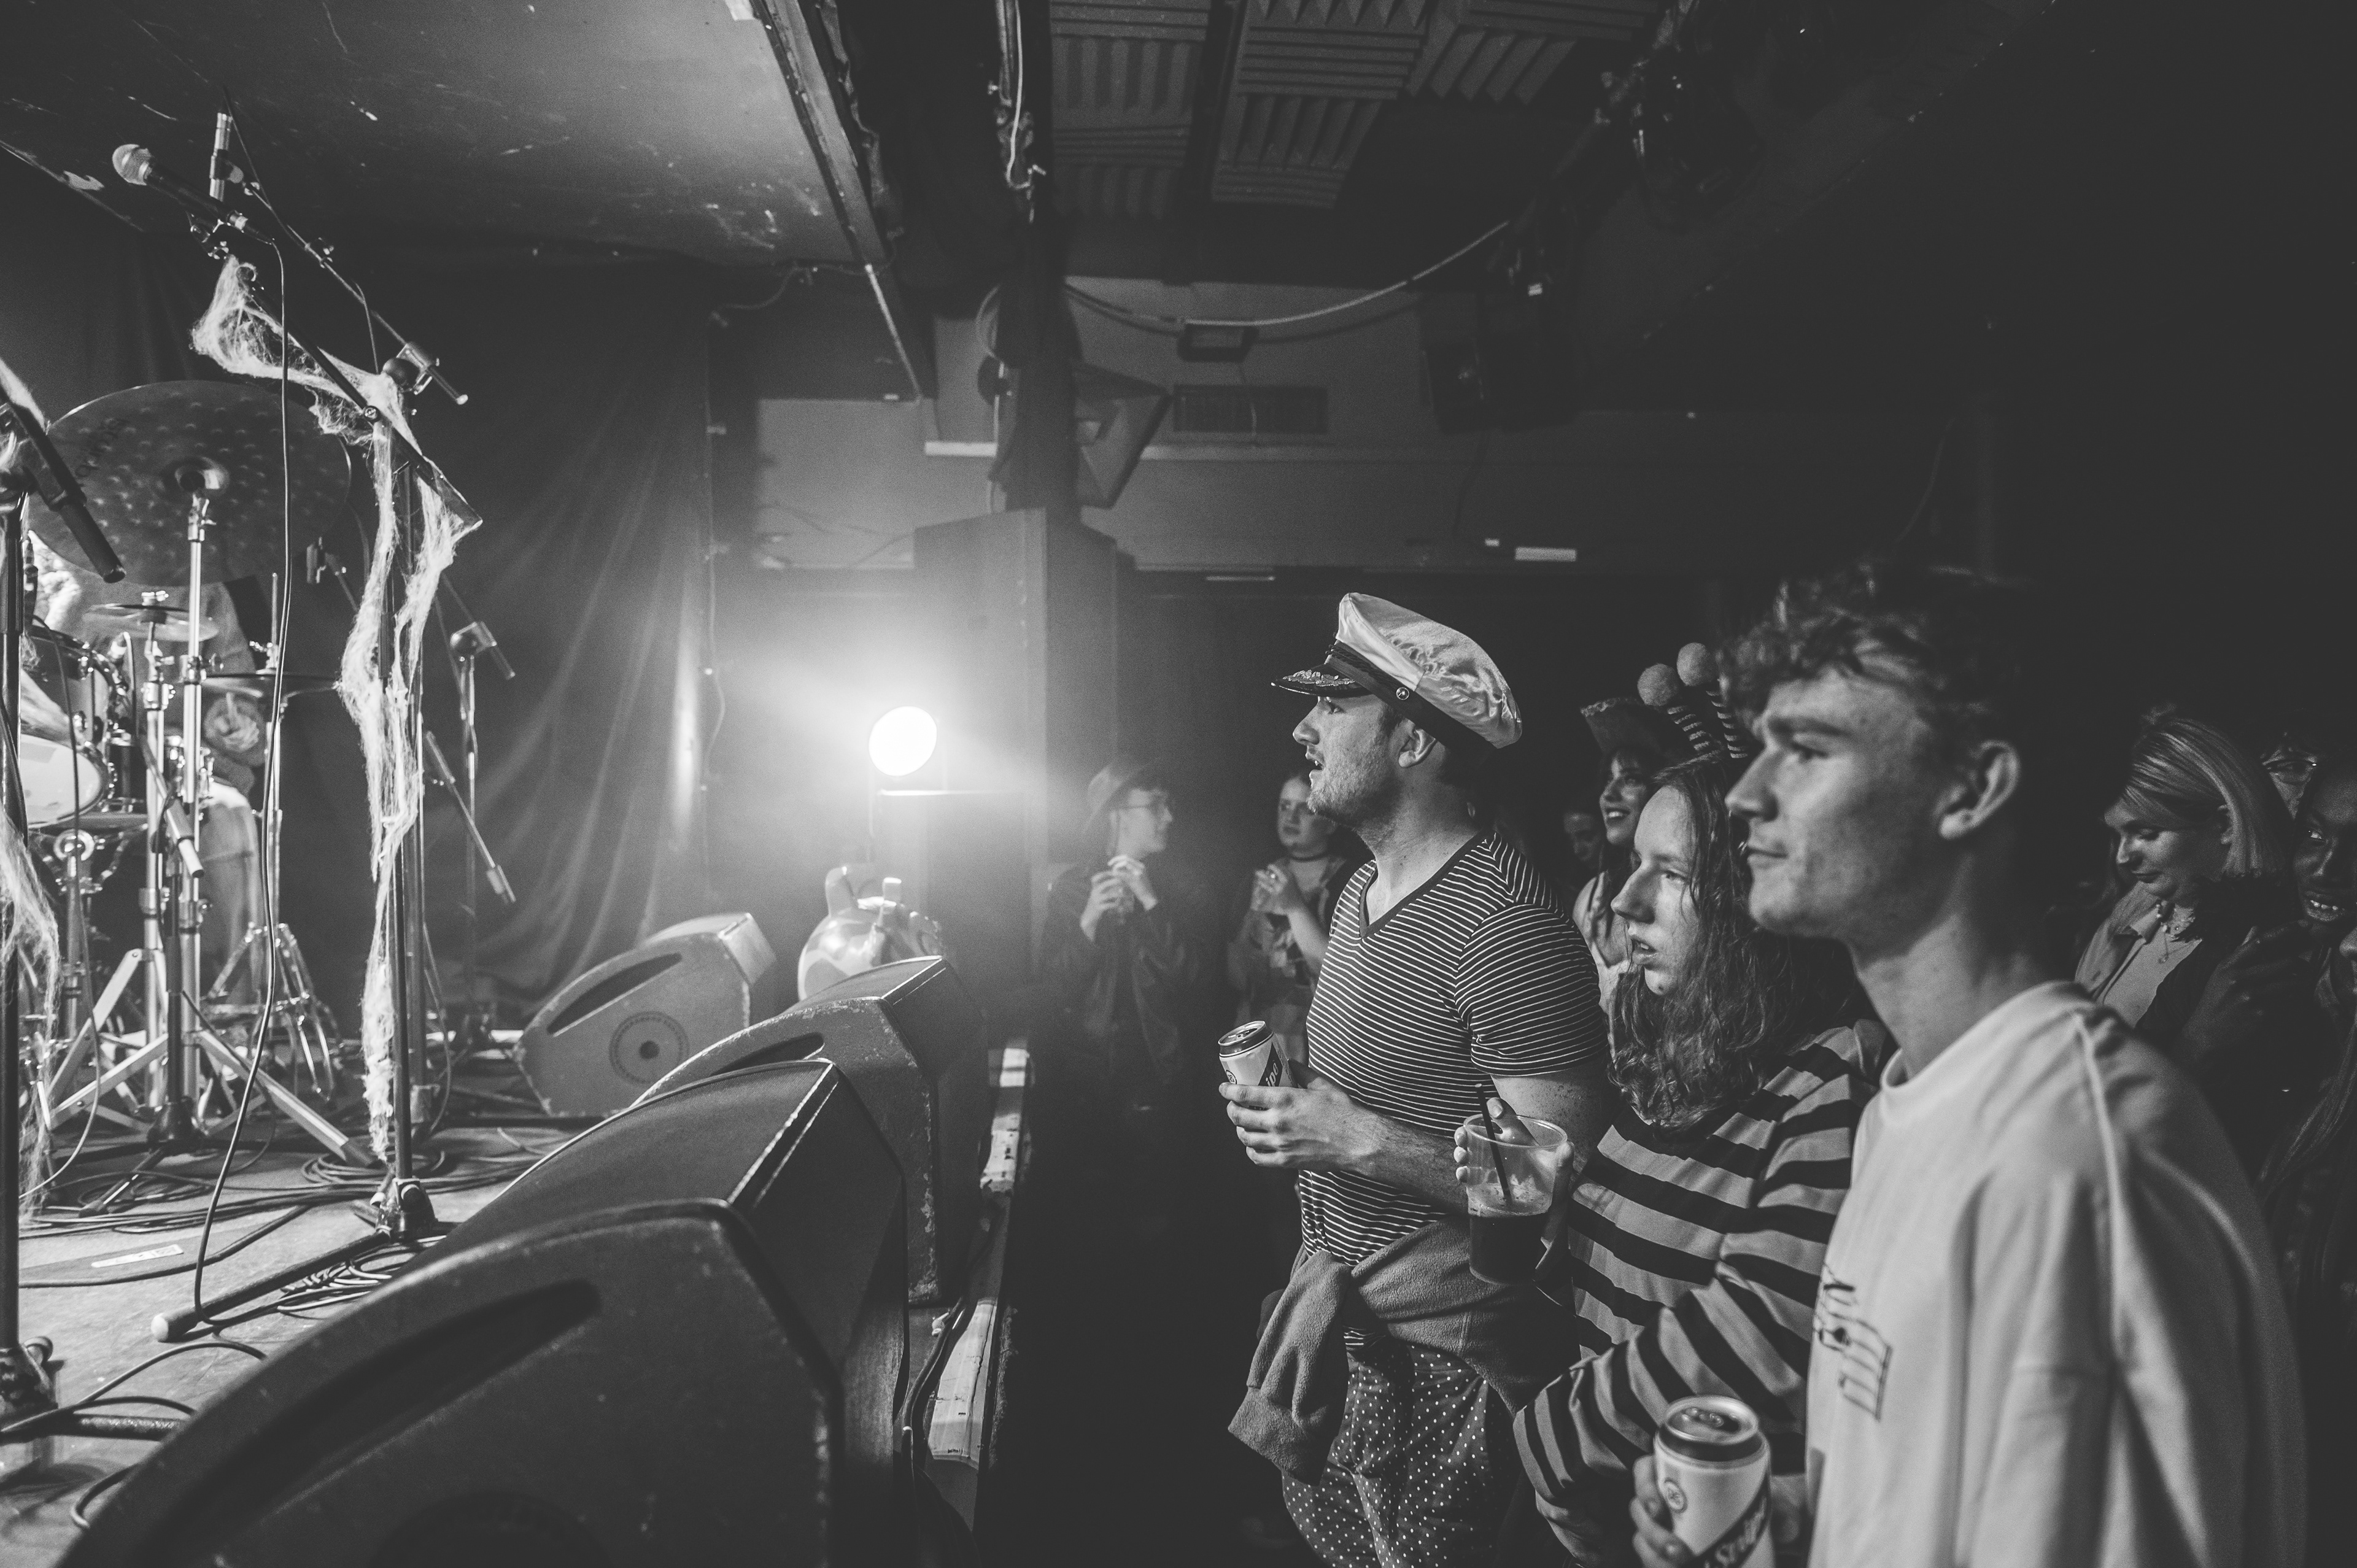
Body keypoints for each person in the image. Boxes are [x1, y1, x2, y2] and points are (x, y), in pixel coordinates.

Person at [1623, 562, 2302, 1567]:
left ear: (1973, 787)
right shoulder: (1909, 1102)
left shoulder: (2075, 1169)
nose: (1746, 796)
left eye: (1806, 749)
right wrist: (1800, 1517)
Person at [1224, 593, 1612, 1568]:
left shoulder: (1506, 925)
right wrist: (1296, 1110)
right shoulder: (1360, 889)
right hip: (1350, 1335)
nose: (1304, 727)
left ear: (1411, 741)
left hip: (1446, 1369)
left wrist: (1358, 1138)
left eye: (1334, 705)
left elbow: (1550, 1190)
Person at [1477, 755, 1876, 1564]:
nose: (1627, 899)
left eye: (1672, 872)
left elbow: (1763, 1333)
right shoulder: (1675, 1065)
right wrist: (1543, 1207)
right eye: (1634, 863)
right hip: (1616, 1512)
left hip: (1708, 1523)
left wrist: (1551, 1436)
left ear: (1752, 893)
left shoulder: (1827, 1078)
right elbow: (1625, 1287)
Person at [2073, 712, 2316, 1167]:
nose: (2124, 857)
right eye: (2118, 835)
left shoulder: (2251, 949)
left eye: (2146, 833)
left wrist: (2196, 1044)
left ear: (2225, 825)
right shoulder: (2130, 914)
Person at [1037, 757, 1225, 1243]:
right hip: (1088, 1079)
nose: (1169, 817)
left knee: (1158, 1217)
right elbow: (1052, 990)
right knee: (1093, 1216)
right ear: (1117, 814)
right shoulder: (1072, 888)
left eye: (1169, 805)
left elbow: (1200, 981)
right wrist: (1088, 922)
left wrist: (1151, 903)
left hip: (1162, 1076)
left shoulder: (1184, 887)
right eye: (1156, 806)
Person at [1228, 768, 1367, 1065]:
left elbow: (1338, 976)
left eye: (1305, 809)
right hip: (1260, 1043)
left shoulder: (1352, 880)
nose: (1290, 818)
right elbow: (1237, 978)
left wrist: (1294, 906)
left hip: (1324, 1045)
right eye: (1284, 806)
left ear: (1330, 822)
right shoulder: (1258, 880)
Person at [1571, 700, 1692, 1024]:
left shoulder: (1688, 891)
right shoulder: (1591, 897)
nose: (1608, 795)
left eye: (1631, 779)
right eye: (1607, 780)